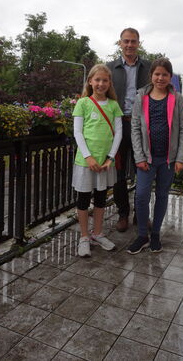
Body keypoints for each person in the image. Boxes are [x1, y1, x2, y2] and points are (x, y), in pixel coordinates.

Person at [127, 58, 183, 254]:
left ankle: (155, 234)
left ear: (170, 77)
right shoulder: (141, 98)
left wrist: (180, 158)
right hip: (147, 158)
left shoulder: (177, 99)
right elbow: (135, 128)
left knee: (162, 195)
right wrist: (139, 157)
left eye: (164, 74)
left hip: (168, 160)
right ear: (151, 76)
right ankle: (142, 235)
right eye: (157, 74)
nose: (160, 78)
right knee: (142, 195)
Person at [72, 64, 123, 257]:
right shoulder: (83, 103)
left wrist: (110, 158)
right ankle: (84, 236)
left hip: (105, 162)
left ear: (109, 83)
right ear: (90, 81)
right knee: (84, 198)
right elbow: (77, 132)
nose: (101, 83)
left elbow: (118, 133)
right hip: (86, 162)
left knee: (101, 198)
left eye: (105, 80)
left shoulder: (113, 105)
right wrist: (88, 156)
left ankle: (98, 233)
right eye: (97, 80)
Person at [107, 28, 151, 232]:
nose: (129, 45)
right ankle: (123, 214)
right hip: (118, 125)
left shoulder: (149, 68)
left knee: (143, 170)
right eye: (126, 41)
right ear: (120, 43)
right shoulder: (109, 68)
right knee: (118, 173)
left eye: (133, 41)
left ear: (138, 43)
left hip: (141, 126)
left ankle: (140, 214)